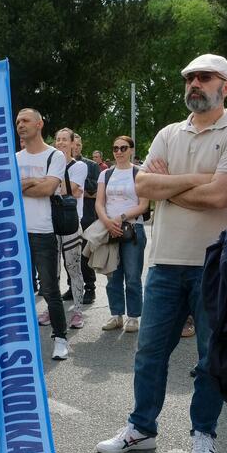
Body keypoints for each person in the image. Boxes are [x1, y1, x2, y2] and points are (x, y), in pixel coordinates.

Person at [95, 53, 227, 453]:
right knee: (149, 352)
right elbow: (143, 184)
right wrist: (198, 179)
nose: (194, 84)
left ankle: (203, 433)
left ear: (226, 85)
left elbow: (221, 195)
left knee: (209, 358)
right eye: (189, 77)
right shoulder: (169, 132)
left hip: (216, 263)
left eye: (204, 77)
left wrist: (170, 187)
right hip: (165, 262)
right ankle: (141, 428)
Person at [16, 108, 69, 361]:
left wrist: (23, 184)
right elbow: (9, 190)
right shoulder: (13, 157)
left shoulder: (54, 155)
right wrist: (34, 182)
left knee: (50, 290)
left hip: (43, 232)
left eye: (25, 120)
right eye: (17, 121)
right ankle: (22, 340)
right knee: (19, 289)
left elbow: (49, 188)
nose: (20, 125)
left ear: (40, 123)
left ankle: (60, 338)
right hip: (15, 233)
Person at [96, 135, 149, 333]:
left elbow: (144, 205)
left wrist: (121, 217)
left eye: (123, 148)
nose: (119, 152)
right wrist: (108, 221)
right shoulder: (106, 174)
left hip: (133, 229)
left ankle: (133, 316)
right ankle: (116, 315)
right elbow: (99, 202)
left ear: (131, 150)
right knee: (112, 275)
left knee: (133, 276)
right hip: (110, 230)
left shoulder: (140, 173)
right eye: (115, 148)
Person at [40, 127, 88, 329]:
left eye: (64, 140)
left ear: (72, 143)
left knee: (73, 268)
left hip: (70, 223)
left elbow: (70, 188)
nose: (60, 143)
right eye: (57, 139)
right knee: (53, 271)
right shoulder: (48, 165)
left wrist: (48, 185)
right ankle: (52, 310)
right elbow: (48, 188)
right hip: (49, 222)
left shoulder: (79, 166)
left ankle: (78, 311)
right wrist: (47, 185)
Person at [65, 133, 100, 306]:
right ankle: (72, 287)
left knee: (84, 255)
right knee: (68, 255)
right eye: (74, 144)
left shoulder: (91, 165)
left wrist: (78, 186)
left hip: (86, 215)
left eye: (79, 144)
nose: (76, 147)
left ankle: (90, 288)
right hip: (68, 214)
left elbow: (94, 190)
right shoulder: (61, 163)